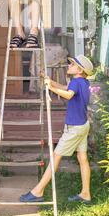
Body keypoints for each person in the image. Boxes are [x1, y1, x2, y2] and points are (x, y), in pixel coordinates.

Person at [20, 55, 93, 204]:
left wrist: (50, 87)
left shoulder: (76, 82)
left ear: (79, 70)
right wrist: (48, 80)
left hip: (74, 128)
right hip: (83, 125)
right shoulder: (83, 82)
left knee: (56, 157)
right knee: (82, 158)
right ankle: (86, 193)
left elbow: (68, 94)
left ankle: (38, 191)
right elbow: (65, 88)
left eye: (72, 64)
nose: (69, 66)